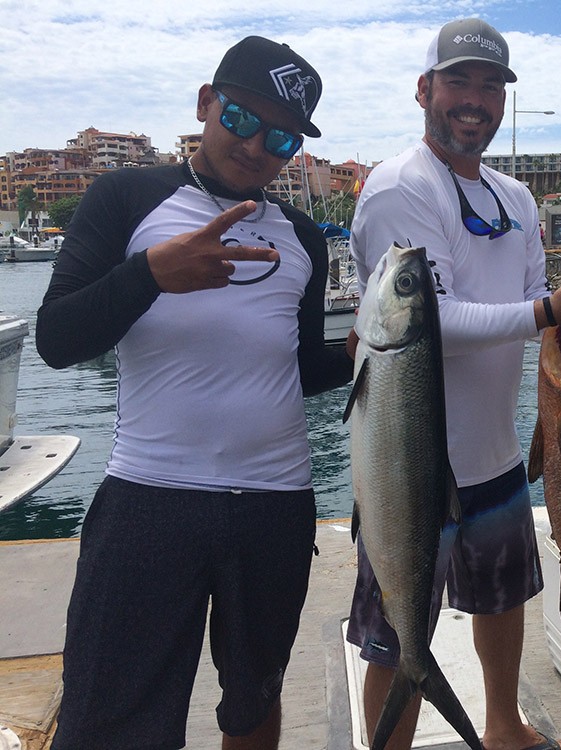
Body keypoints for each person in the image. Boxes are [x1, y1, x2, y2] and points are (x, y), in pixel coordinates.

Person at [36, 36, 354, 750]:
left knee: (254, 697)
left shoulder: (301, 234)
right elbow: (57, 340)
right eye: (242, 119)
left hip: (276, 505)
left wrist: (363, 358)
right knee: (111, 717)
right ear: (206, 104)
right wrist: (151, 273)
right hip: (151, 497)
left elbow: (297, 368)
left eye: (279, 136)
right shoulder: (126, 197)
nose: (255, 147)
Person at [345, 17, 561, 750]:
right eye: (459, 81)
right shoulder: (400, 186)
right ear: (425, 90)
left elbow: (529, 302)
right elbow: (429, 319)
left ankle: (501, 725)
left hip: (494, 454)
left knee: (503, 600)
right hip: (407, 468)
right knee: (397, 635)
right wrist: (550, 309)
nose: (475, 100)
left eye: (491, 86)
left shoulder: (514, 198)